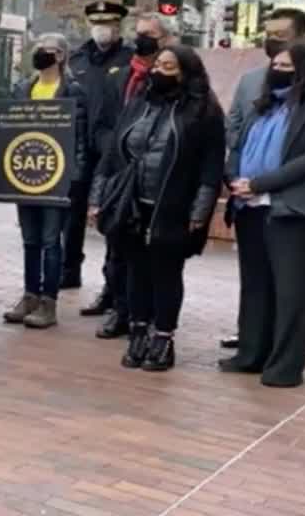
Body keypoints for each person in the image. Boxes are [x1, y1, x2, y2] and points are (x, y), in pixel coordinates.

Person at [91, 45, 225, 373]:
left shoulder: (204, 112)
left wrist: (199, 213)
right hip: (131, 203)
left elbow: (211, 168)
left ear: (186, 72)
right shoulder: (140, 102)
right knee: (135, 270)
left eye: (169, 66)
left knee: (166, 273)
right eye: (158, 65)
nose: (159, 71)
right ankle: (138, 331)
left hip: (173, 207)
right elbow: (112, 154)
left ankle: (163, 337)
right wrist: (98, 196)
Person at [219, 7, 305, 350]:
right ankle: (253, 338)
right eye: (267, 36)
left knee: (293, 279)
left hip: (292, 198)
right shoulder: (251, 80)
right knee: (255, 276)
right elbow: (236, 126)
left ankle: (291, 342)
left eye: (280, 37)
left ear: (302, 37)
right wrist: (237, 175)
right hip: (250, 197)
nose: (271, 43)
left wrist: (263, 182)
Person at [82, 12, 180, 338]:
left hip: (153, 179)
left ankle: (148, 313)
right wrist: (117, 149)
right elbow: (102, 123)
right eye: (138, 33)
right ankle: (120, 308)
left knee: (149, 255)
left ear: (166, 39)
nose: (141, 40)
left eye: (148, 34)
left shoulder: (175, 80)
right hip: (117, 175)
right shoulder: (121, 76)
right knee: (117, 249)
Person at [2, 34, 87, 329]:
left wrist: (74, 176)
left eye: (45, 51)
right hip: (27, 174)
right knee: (30, 240)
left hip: (57, 177)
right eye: (37, 50)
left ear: (61, 56)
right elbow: (11, 129)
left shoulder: (72, 90)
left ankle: (48, 302)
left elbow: (79, 138)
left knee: (51, 241)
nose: (39, 55)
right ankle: (29, 295)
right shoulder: (22, 88)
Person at [64, 1, 132, 289]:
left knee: (114, 216)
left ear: (118, 26)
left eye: (109, 23)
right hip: (79, 148)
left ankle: (111, 284)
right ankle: (68, 272)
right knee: (72, 214)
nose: (103, 29)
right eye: (98, 23)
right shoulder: (76, 59)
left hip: (113, 150)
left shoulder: (130, 59)